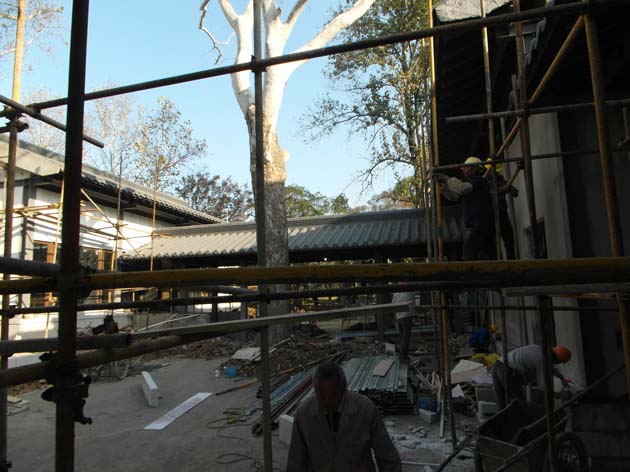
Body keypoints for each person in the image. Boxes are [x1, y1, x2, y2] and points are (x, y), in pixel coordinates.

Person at [286, 362, 401, 472]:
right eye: (321, 395)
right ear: (315, 390)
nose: (327, 402)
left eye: (333, 395)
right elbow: (296, 461)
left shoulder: (365, 409)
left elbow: (387, 456)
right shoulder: (304, 414)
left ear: (343, 390)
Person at [492, 344, 571, 410]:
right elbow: (543, 387)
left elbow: (550, 367)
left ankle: (502, 423)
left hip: (498, 364)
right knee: (519, 403)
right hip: (508, 371)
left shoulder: (540, 349)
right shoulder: (542, 360)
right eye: (559, 362)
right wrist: (558, 395)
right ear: (557, 360)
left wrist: (561, 378)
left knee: (501, 403)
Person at [392, 290, 415, 360]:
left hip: (399, 315)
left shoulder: (396, 291)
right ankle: (403, 355)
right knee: (405, 336)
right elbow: (412, 301)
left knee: (402, 336)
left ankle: (403, 353)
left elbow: (393, 302)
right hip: (406, 314)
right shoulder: (408, 290)